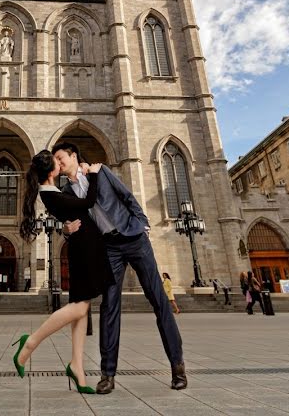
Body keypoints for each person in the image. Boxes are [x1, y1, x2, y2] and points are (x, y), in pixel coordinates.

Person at [54, 143, 186, 392]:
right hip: (109, 248)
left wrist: (143, 224)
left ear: (73, 156)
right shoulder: (65, 192)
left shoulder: (101, 172)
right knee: (109, 307)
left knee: (158, 300)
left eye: (60, 158)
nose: (58, 163)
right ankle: (108, 374)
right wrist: (65, 230)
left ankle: (177, 366)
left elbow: (126, 196)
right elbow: (67, 221)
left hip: (134, 239)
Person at [12, 150, 108, 394]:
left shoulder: (54, 192)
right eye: (57, 162)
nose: (60, 163)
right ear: (51, 171)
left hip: (84, 244)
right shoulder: (51, 194)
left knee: (82, 308)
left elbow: (76, 209)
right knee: (79, 307)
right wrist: (95, 175)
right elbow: (88, 203)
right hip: (84, 248)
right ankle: (31, 341)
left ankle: (77, 366)